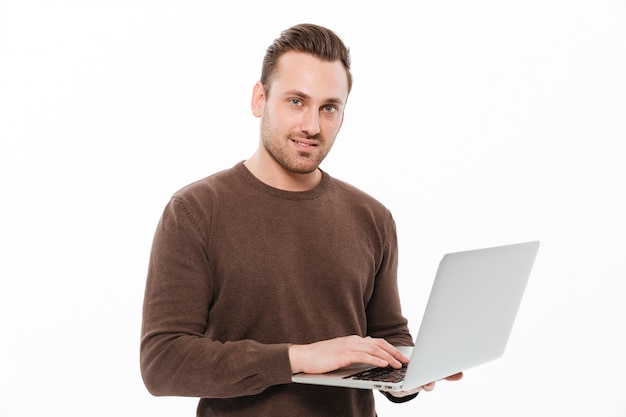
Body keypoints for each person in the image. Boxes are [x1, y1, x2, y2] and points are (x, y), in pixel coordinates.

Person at [140, 23, 462, 416]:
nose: (313, 125)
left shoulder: (372, 217)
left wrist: (407, 375)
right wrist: (298, 358)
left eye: (329, 107)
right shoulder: (195, 211)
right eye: (296, 101)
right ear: (260, 99)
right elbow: (163, 363)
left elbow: (387, 335)